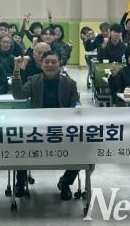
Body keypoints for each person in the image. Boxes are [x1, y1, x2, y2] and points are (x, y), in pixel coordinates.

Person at [11, 50, 80, 200]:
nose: (50, 65)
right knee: (18, 143)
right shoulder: (34, 80)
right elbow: (18, 95)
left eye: (53, 62)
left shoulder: (70, 84)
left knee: (83, 148)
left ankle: (66, 182)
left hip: (62, 130)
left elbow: (75, 108)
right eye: (46, 62)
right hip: (37, 130)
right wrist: (17, 69)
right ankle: (20, 181)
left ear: (60, 64)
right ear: (41, 64)